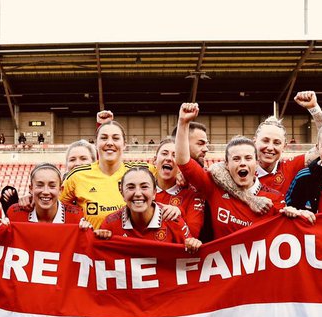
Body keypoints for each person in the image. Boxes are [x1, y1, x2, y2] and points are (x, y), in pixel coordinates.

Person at [174, 104, 282, 239]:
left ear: (256, 162)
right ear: (226, 164)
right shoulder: (213, 187)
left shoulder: (274, 198)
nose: (242, 162)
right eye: (236, 159)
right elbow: (183, 161)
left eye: (248, 158)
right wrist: (183, 123)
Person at [90, 165, 201, 252]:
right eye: (131, 187)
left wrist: (193, 245)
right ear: (122, 193)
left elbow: (190, 256)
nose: (138, 193)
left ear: (154, 193)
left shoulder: (173, 220)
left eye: (144, 187)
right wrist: (97, 237)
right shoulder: (110, 224)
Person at [60, 115, 145, 228]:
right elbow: (55, 207)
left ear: (124, 144)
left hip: (128, 244)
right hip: (93, 244)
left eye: (115, 138)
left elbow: (170, 180)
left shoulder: (141, 172)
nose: (109, 142)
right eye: (104, 138)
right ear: (96, 144)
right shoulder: (77, 176)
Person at [151, 138, 205, 238]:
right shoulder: (143, 192)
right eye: (164, 153)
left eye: (175, 156)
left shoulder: (192, 195)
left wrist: (179, 213)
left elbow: (192, 237)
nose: (169, 158)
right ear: (154, 160)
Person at [7, 164, 83, 225]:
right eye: (39, 185)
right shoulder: (14, 214)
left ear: (60, 190)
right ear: (31, 188)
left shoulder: (76, 217)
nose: (45, 192)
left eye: (52, 186)